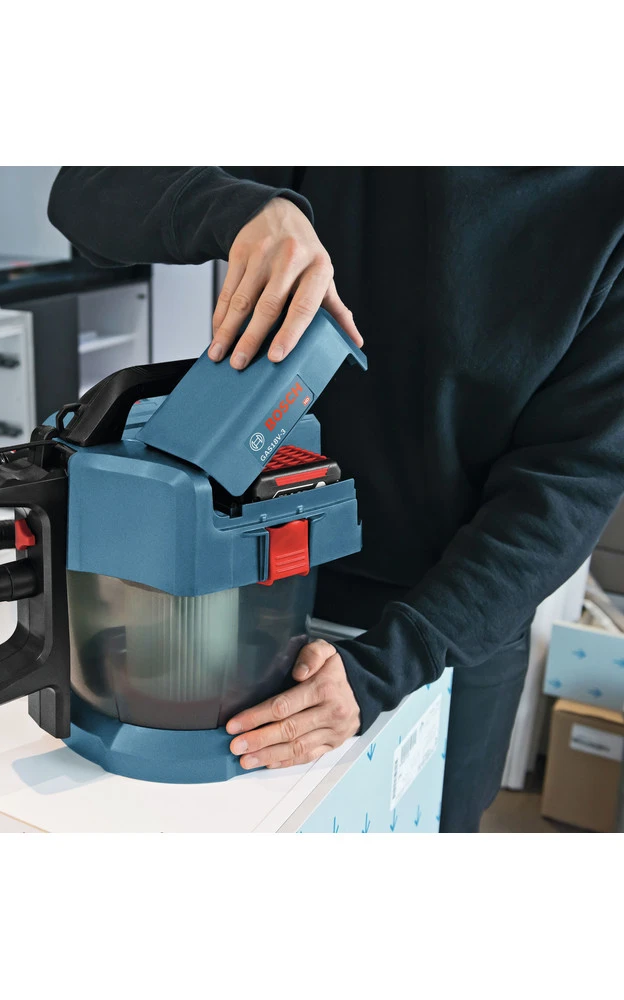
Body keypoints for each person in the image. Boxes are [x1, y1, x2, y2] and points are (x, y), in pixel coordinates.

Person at [47, 167, 624, 832]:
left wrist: (386, 665)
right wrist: (242, 210)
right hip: (245, 600)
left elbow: (566, 487)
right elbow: (84, 193)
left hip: (446, 627)